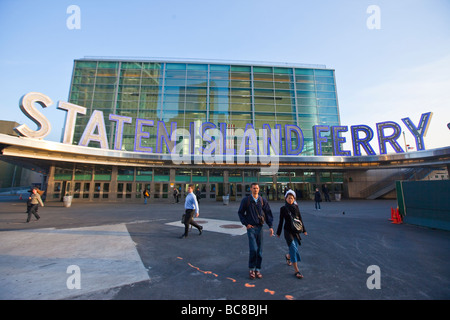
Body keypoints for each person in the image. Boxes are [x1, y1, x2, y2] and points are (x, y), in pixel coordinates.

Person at [238, 182, 274, 279]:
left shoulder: (262, 200)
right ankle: (251, 269)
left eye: (257, 188)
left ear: (259, 189)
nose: (255, 190)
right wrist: (246, 223)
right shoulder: (246, 200)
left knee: (260, 250)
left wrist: (270, 226)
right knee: (253, 248)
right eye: (254, 188)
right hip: (251, 228)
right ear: (250, 189)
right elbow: (240, 212)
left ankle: (257, 269)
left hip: (260, 227)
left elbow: (268, 213)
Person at [277, 190, 307, 279]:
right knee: (293, 248)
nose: (290, 200)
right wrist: (278, 232)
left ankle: (288, 256)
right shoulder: (283, 208)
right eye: (289, 198)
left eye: (292, 198)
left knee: (294, 249)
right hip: (287, 231)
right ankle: (296, 270)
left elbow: (300, 218)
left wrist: (304, 230)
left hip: (296, 231)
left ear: (294, 199)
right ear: (285, 198)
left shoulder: (296, 207)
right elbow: (281, 221)